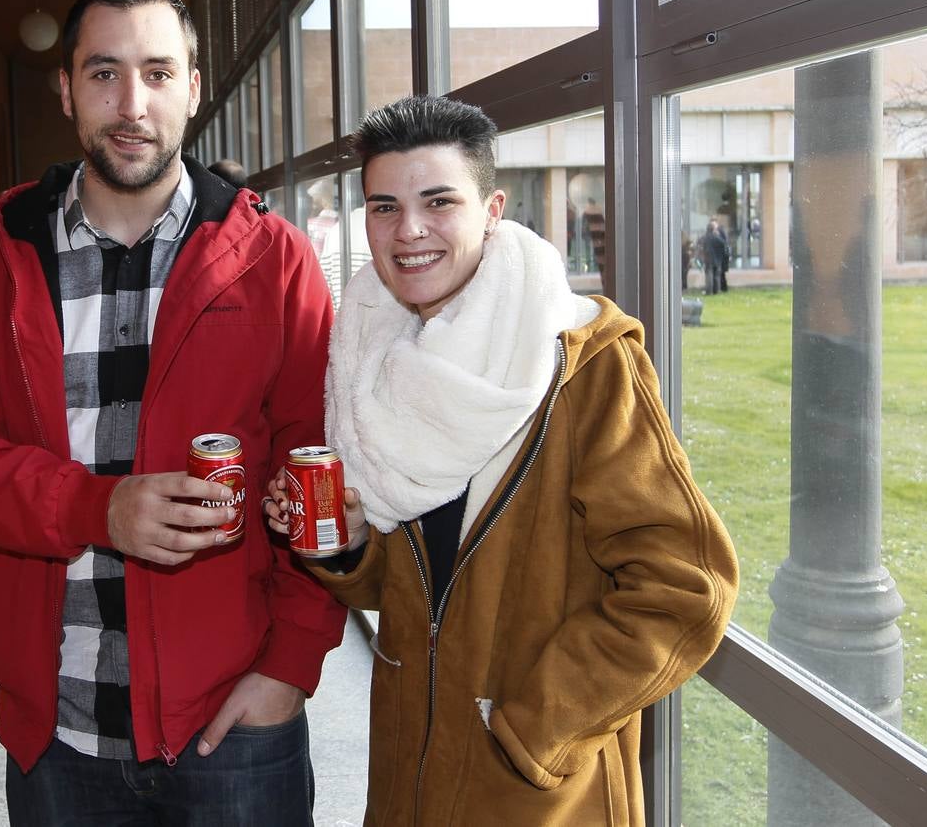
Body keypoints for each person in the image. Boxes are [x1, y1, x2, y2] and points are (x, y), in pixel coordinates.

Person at [0, 0, 346, 826]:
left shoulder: (274, 260)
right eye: (103, 73)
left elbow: (317, 465)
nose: (132, 104)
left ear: (192, 87)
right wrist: (95, 509)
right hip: (58, 729)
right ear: (67, 90)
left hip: (233, 727)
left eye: (156, 73)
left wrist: (291, 664)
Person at [265, 95, 738, 825]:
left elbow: (684, 587)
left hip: (533, 790)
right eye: (383, 206)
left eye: (437, 202)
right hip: (409, 772)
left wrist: (532, 728)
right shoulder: (372, 363)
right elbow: (416, 594)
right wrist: (350, 544)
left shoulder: (580, 365)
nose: (409, 231)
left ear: (491, 209)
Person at [702, 220, 727, 295]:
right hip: (717, 258)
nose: (717, 230)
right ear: (713, 229)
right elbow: (723, 244)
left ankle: (709, 291)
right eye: (716, 228)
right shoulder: (716, 237)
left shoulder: (705, 237)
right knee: (716, 276)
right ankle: (717, 290)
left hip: (708, 258)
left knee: (709, 275)